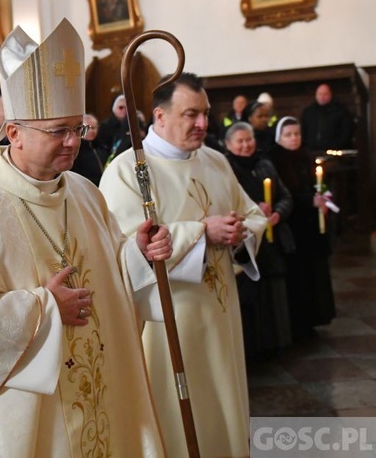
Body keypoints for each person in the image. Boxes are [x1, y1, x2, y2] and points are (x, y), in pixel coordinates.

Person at [0, 18, 169, 457]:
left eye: (76, 129)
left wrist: (136, 254)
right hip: (28, 411)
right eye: (56, 131)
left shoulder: (84, 193)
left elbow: (112, 271)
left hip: (103, 387)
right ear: (14, 134)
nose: (70, 143)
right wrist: (43, 309)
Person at [100, 72, 267, 458]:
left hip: (221, 318)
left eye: (205, 113)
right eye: (191, 114)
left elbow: (252, 215)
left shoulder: (215, 161)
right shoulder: (127, 171)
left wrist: (240, 233)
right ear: (159, 116)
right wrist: (200, 233)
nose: (204, 124)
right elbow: (123, 248)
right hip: (167, 325)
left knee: (224, 409)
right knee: (177, 422)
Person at [224, 122, 293, 358]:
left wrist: (277, 213)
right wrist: (254, 212)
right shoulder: (226, 168)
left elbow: (285, 196)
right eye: (240, 141)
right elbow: (229, 205)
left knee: (274, 290)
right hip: (247, 239)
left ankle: (277, 342)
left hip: (272, 239)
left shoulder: (265, 164)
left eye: (249, 139)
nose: (246, 145)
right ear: (229, 144)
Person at [270, 116, 336, 339]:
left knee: (314, 274)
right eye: (288, 135)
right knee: (298, 277)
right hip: (293, 226)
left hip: (311, 228)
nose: (293, 138)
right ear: (279, 137)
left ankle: (315, 319)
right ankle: (299, 324)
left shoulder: (306, 156)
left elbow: (318, 184)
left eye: (296, 134)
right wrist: (310, 201)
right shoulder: (275, 160)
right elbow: (284, 194)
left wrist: (323, 196)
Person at [300, 83, 355, 151]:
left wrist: (336, 146)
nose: (322, 97)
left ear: (330, 95)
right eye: (320, 94)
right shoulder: (308, 112)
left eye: (325, 94)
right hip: (312, 151)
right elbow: (303, 131)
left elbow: (347, 132)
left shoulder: (341, 111)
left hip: (335, 151)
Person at [71, 113, 108, 185]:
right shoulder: (75, 150)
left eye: (94, 128)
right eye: (87, 128)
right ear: (79, 129)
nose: (91, 131)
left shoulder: (102, 147)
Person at [99, 94, 132, 165]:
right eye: (121, 107)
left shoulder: (132, 124)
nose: (124, 110)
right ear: (114, 109)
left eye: (127, 108)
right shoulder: (105, 126)